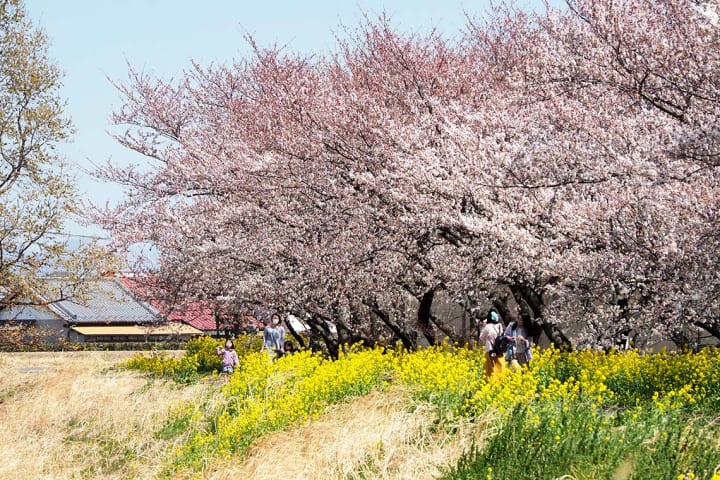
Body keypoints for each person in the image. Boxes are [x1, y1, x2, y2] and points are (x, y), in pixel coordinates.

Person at [479, 309, 505, 378]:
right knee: (499, 366)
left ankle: (491, 383)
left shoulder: (487, 327)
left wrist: (483, 326)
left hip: (490, 350)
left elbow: (482, 337)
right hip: (499, 350)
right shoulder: (499, 326)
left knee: (490, 369)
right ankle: (500, 382)